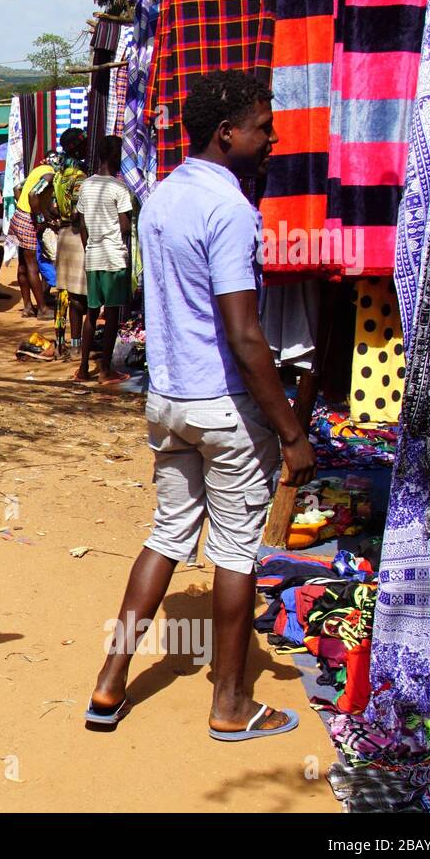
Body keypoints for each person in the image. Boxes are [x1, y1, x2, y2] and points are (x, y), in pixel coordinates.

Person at [86, 71, 318, 741]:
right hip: (225, 408)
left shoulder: (161, 197)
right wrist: (291, 432)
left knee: (165, 537)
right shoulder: (231, 211)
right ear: (228, 132)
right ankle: (229, 704)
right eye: (264, 127)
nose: (272, 140)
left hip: (168, 402)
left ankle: (109, 682)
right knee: (237, 555)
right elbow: (246, 336)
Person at [76, 135, 134, 385]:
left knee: (91, 314)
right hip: (112, 258)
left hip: (93, 256)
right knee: (111, 315)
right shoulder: (118, 188)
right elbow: (124, 226)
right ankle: (105, 370)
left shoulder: (86, 185)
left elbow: (82, 225)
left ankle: (82, 368)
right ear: (115, 157)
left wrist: (89, 248)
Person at [51, 129, 89, 360]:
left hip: (63, 236)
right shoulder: (79, 178)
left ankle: (62, 343)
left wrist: (53, 219)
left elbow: (49, 205)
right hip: (77, 237)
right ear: (75, 147)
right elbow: (78, 214)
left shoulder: (59, 174)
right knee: (78, 296)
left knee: (64, 294)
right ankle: (76, 346)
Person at [7, 161, 55, 319]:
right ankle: (42, 309)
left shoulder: (38, 170)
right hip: (27, 221)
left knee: (22, 265)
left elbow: (17, 189)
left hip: (17, 218)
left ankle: (28, 307)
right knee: (32, 266)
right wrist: (39, 218)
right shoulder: (49, 175)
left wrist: (25, 209)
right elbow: (33, 194)